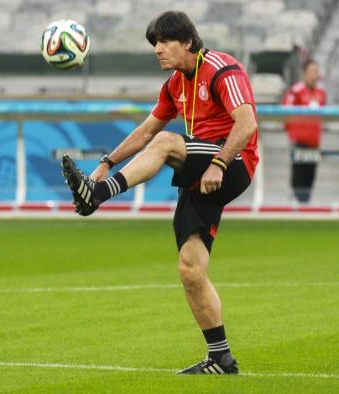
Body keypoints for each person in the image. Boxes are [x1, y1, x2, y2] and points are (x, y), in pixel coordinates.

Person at [61, 11, 259, 375]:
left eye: (165, 42)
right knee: (190, 269)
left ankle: (99, 195)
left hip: (233, 162)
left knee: (169, 142)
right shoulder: (173, 85)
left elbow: (246, 124)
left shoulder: (220, 68)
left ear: (187, 42)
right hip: (199, 171)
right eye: (154, 43)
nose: (158, 50)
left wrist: (218, 164)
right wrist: (107, 159)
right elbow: (147, 129)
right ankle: (221, 358)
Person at [281, 60, 327, 203]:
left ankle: (306, 203)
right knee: (298, 172)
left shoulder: (321, 93)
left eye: (316, 72)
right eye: (312, 71)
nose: (315, 75)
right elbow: (285, 112)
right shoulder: (295, 91)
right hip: (299, 140)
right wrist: (292, 132)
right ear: (305, 73)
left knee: (311, 173)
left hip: (314, 141)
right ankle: (295, 200)